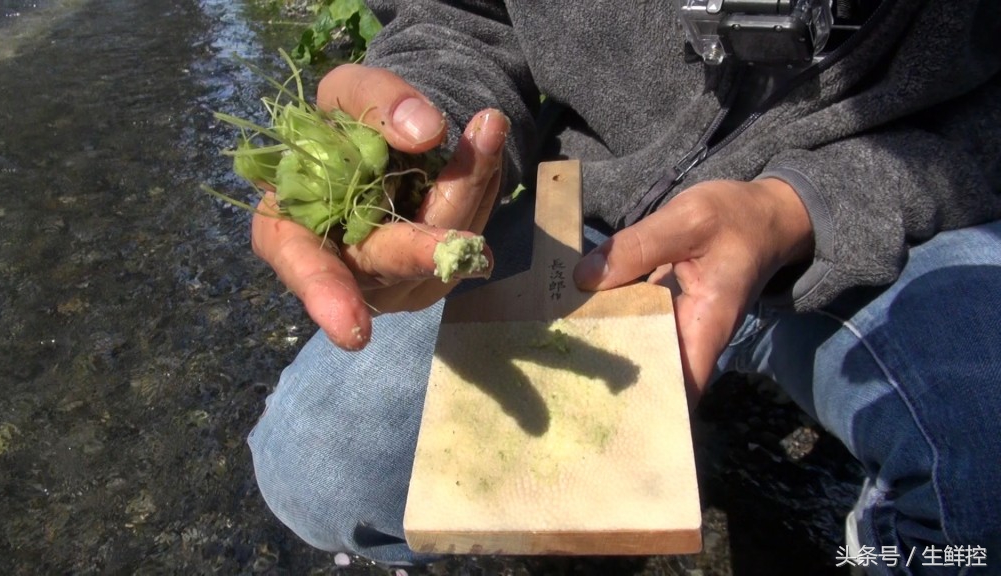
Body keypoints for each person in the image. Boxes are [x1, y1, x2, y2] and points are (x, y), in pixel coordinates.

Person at [246, 1, 1001, 573]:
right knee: (318, 468)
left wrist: (798, 207)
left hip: (880, 204)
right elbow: (460, 19)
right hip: (590, 208)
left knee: (979, 489)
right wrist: (422, 161)